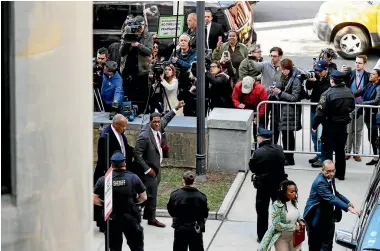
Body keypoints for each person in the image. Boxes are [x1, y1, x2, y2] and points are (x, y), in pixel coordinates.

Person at [133, 101, 185, 227]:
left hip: (157, 166)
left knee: (150, 193)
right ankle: (143, 215)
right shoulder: (144, 136)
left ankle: (146, 214)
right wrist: (147, 169)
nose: (157, 124)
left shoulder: (160, 125)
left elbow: (167, 117)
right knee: (151, 195)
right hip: (149, 170)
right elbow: (137, 154)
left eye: (158, 121)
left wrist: (176, 107)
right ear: (150, 121)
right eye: (155, 122)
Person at [93, 151, 147, 251]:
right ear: (124, 164)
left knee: (114, 247)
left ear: (111, 165)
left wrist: (105, 204)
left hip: (112, 218)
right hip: (130, 217)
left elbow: (94, 199)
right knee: (136, 246)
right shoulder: (133, 178)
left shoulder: (103, 180)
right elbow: (143, 197)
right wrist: (135, 202)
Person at [303, 160, 360, 251]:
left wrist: (347, 202)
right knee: (315, 245)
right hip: (316, 218)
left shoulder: (330, 177)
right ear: (322, 170)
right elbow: (331, 198)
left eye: (333, 170)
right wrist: (347, 208)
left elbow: (334, 193)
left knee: (328, 244)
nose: (331, 173)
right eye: (328, 171)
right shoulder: (320, 183)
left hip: (327, 215)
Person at [93, 114, 134, 232]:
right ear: (116, 124)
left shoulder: (121, 134)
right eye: (123, 126)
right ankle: (102, 225)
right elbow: (103, 159)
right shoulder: (105, 137)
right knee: (105, 198)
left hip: (120, 170)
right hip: (108, 173)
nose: (125, 128)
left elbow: (124, 147)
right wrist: (114, 171)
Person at [312, 70, 355, 180]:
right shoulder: (349, 92)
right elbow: (352, 107)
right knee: (340, 152)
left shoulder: (327, 93)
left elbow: (320, 112)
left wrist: (314, 126)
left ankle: (328, 175)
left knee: (327, 152)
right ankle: (341, 175)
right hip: (343, 127)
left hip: (329, 126)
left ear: (332, 80)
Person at [249, 127, 287, 243]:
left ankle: (262, 236)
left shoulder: (258, 153)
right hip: (277, 185)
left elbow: (253, 168)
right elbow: (283, 163)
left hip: (263, 186)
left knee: (262, 211)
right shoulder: (279, 149)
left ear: (260, 138)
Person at [270, 58, 303, 166]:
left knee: (288, 135)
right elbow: (280, 88)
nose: (283, 71)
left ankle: (289, 158)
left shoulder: (296, 80)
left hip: (290, 111)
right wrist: (274, 90)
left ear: (290, 69)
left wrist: (280, 93)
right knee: (283, 134)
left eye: (285, 70)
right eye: (282, 69)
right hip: (281, 110)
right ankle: (285, 157)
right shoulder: (282, 76)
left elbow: (294, 97)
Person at [167, 171, 209, 251]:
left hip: (180, 227)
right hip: (195, 228)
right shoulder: (201, 196)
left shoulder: (175, 195)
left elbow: (171, 211)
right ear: (194, 181)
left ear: (183, 180)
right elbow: (205, 214)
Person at [119, 15, 153, 114]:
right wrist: (127, 42)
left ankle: (142, 112)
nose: (139, 28)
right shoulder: (128, 32)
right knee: (128, 93)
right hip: (128, 69)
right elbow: (121, 53)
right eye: (138, 26)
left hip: (141, 70)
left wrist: (138, 45)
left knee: (142, 94)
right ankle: (128, 112)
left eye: (141, 26)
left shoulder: (148, 36)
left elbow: (149, 51)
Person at [259, 180, 305, 251]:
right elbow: (276, 224)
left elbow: (296, 213)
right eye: (291, 192)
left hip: (295, 236)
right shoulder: (277, 205)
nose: (294, 194)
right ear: (284, 193)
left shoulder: (293, 201)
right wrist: (294, 227)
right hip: (281, 237)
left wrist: (300, 220)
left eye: (295, 191)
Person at [305, 60, 332, 167]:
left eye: (320, 71)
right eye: (317, 71)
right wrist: (310, 80)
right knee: (314, 134)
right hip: (313, 110)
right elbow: (308, 87)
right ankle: (318, 153)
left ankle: (322, 157)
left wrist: (317, 81)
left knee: (322, 136)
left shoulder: (330, 79)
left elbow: (325, 91)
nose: (318, 73)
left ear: (326, 70)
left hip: (324, 112)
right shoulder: (315, 76)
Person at [354, 69, 380, 165]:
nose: (370, 75)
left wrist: (363, 103)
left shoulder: (378, 87)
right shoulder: (369, 85)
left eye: (373, 74)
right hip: (369, 114)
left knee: (374, 137)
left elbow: (377, 101)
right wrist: (350, 94)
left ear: (379, 77)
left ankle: (377, 158)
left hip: (375, 116)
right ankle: (376, 157)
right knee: (372, 137)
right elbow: (360, 92)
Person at [232, 76, 268, 140]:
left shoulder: (260, 88)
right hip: (244, 110)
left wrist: (258, 116)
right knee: (242, 129)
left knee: (258, 129)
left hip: (257, 109)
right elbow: (234, 98)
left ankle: (258, 144)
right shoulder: (237, 86)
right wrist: (238, 104)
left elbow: (264, 104)